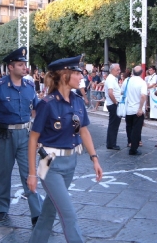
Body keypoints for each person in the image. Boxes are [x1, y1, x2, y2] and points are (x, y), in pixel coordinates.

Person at [27, 55, 103, 242]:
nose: (81, 77)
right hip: (48, 161)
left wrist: (95, 158)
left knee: (50, 211)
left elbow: (82, 131)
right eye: (77, 73)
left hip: (70, 161)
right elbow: (33, 138)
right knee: (69, 214)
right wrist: (31, 174)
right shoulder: (47, 104)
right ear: (64, 75)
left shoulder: (77, 101)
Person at [0, 47, 43, 225]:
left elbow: (37, 110)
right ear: (10, 67)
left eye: (25, 64)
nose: (25, 67)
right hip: (3, 135)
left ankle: (36, 213)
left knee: (29, 172)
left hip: (25, 134)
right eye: (20, 64)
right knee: (3, 174)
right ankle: (2, 208)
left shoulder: (30, 86)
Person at [124, 66, 147, 155]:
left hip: (128, 108)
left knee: (129, 127)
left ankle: (130, 142)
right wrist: (140, 108)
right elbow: (143, 96)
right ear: (142, 72)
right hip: (137, 109)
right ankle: (133, 148)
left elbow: (122, 91)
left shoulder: (127, 80)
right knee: (136, 130)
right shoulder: (142, 83)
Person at [105, 63, 122, 150]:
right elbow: (110, 92)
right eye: (117, 70)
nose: (119, 71)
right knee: (114, 125)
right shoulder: (111, 79)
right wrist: (116, 102)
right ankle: (112, 143)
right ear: (112, 70)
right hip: (113, 104)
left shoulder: (112, 78)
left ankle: (110, 143)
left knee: (113, 125)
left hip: (112, 103)